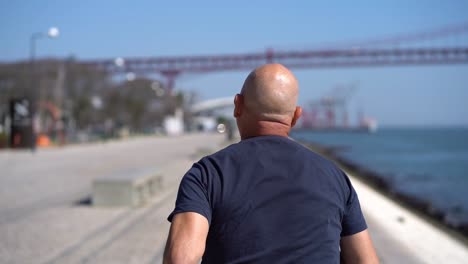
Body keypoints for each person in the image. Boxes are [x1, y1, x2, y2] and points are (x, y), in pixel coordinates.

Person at [163, 64, 379, 264]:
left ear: (237, 105)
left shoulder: (207, 174)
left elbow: (181, 258)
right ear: (296, 116)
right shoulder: (335, 178)